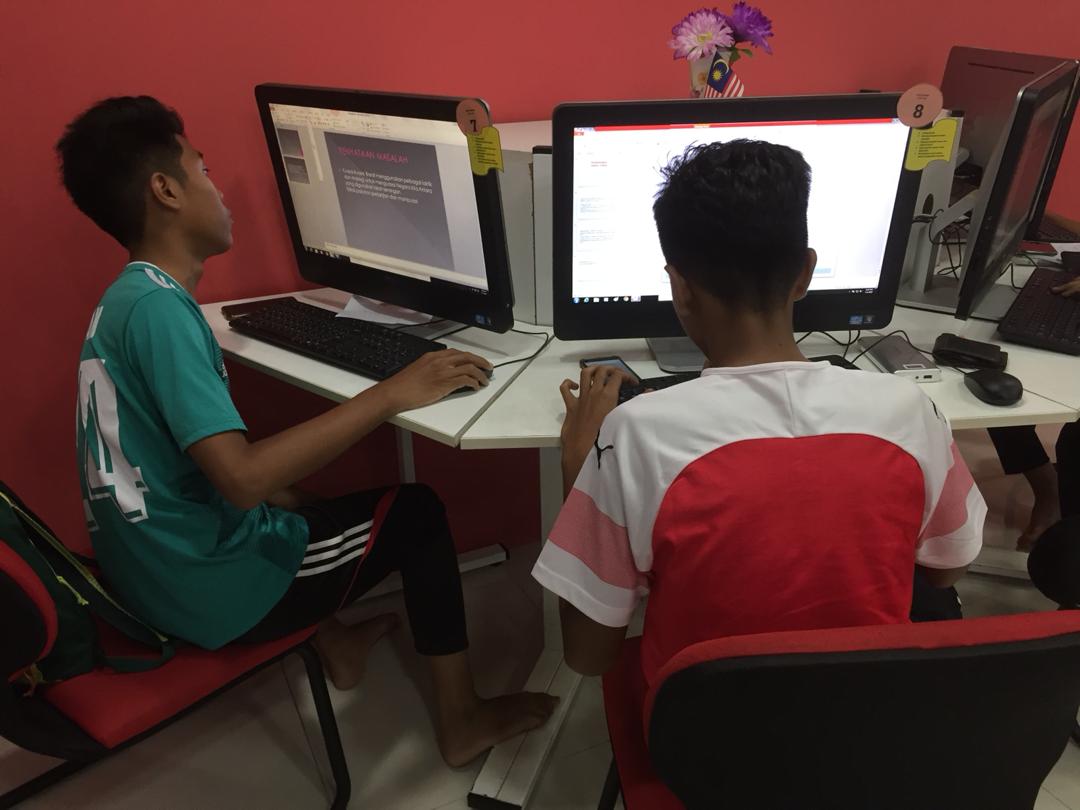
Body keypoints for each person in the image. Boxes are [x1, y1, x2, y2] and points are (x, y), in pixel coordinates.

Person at [58, 96, 554, 766]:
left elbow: (206, 468)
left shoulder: (127, 300)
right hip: (205, 586)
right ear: (166, 190)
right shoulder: (163, 316)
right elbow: (242, 482)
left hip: (146, 571)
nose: (217, 188)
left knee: (303, 504)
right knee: (416, 514)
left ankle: (337, 643)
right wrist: (393, 392)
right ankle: (462, 721)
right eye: (202, 169)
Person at [532, 140, 987, 683]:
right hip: (868, 713)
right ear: (805, 272)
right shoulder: (911, 412)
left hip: (703, 727)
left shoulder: (633, 434)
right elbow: (948, 569)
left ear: (679, 288)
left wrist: (579, 465)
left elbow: (588, 655)